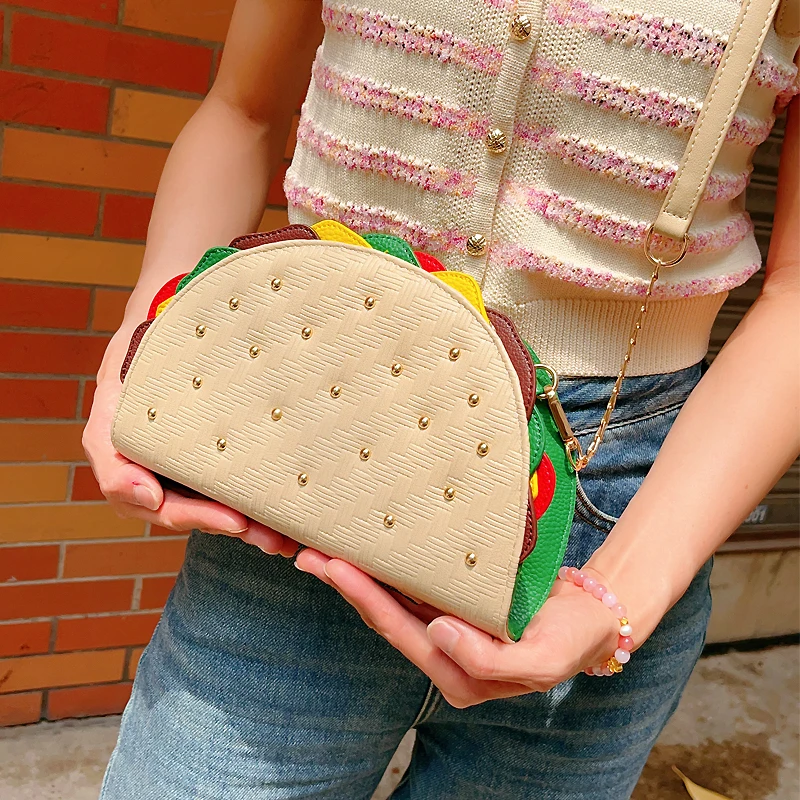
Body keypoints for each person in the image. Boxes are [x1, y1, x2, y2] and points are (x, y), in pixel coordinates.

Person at [83, 1, 800, 797]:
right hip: (300, 466)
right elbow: (242, 107)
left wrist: (615, 594)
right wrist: (148, 338)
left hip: (616, 514)